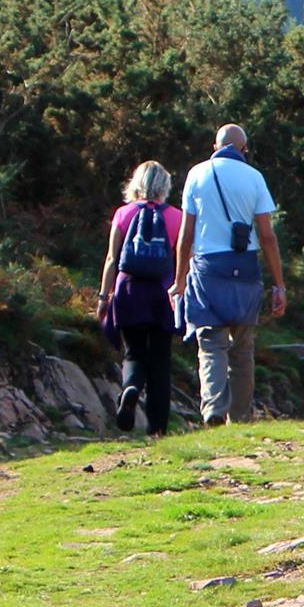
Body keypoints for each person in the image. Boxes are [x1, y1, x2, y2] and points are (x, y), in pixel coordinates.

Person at [171, 124, 287, 425]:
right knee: (243, 346)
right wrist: (279, 284)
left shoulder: (197, 174)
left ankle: (213, 408)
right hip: (246, 266)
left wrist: (179, 279)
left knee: (210, 342)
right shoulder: (255, 178)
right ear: (244, 148)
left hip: (208, 267)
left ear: (215, 146)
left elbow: (186, 234)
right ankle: (240, 416)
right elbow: (267, 236)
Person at [98, 161, 183, 435]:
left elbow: (112, 258)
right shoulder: (176, 218)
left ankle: (131, 386)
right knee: (160, 359)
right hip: (162, 294)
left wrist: (103, 296)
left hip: (128, 290)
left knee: (133, 352)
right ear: (164, 186)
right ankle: (157, 429)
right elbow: (184, 260)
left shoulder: (123, 214)